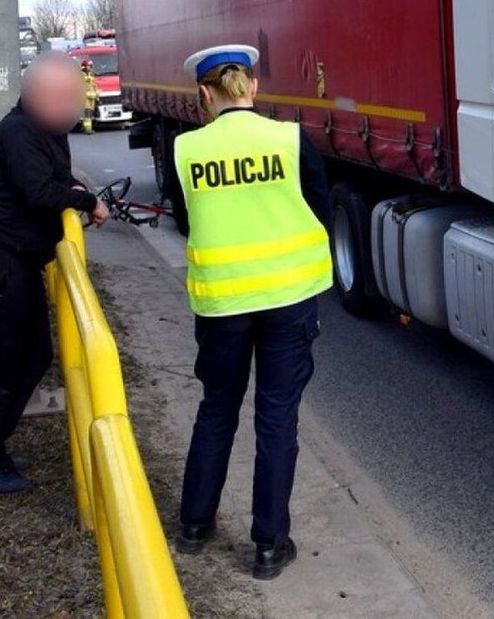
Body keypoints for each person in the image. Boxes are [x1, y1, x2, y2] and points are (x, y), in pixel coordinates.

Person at [172, 44, 332, 581]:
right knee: (276, 417)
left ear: (204, 93)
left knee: (217, 407)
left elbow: (185, 215)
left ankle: (194, 525)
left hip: (222, 304)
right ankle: (268, 545)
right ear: (253, 88)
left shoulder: (186, 149)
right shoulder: (288, 138)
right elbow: (320, 206)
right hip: (288, 301)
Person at [0, 52, 110, 495]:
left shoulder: (42, 129)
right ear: (40, 96)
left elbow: (55, 178)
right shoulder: (17, 133)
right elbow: (39, 190)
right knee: (10, 363)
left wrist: (77, 190)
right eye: (64, 97)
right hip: (7, 264)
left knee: (35, 356)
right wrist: (88, 203)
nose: (73, 106)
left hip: (23, 262)